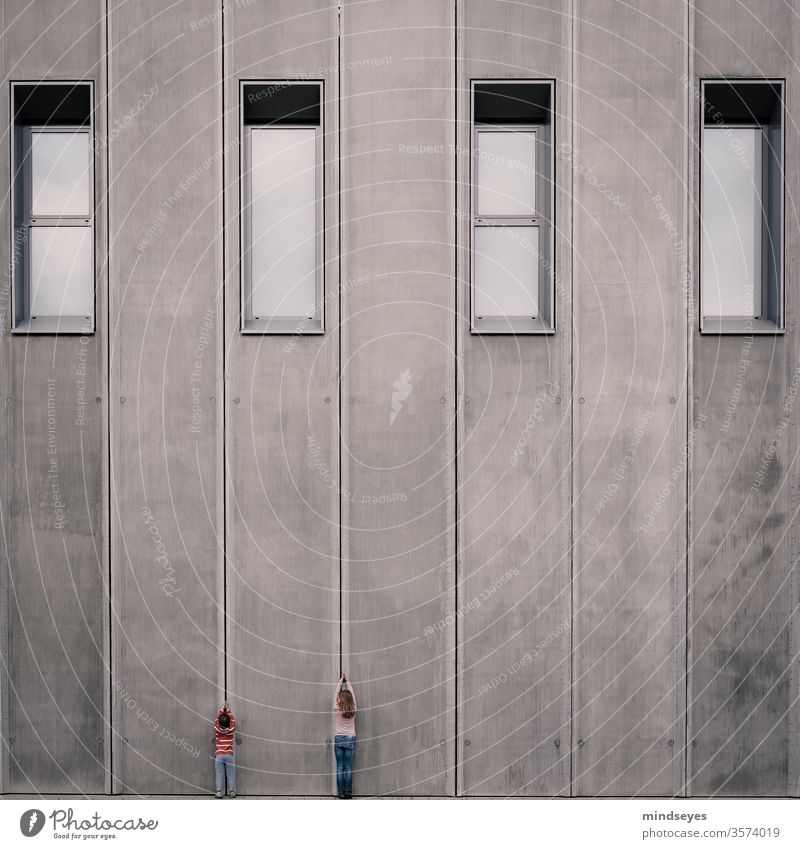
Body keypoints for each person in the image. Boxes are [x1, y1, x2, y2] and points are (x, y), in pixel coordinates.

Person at [333, 673, 357, 799]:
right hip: (350, 739)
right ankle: (348, 793)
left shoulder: (337, 709)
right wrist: (347, 682)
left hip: (338, 739)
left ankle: (340, 793)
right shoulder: (353, 709)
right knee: (348, 767)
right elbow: (352, 695)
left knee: (340, 767)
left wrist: (340, 681)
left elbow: (336, 694)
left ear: (339, 700)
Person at [213, 701, 236, 798]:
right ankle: (232, 792)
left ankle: (219, 792)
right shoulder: (231, 730)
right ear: (229, 724)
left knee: (219, 774)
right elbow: (233, 721)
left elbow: (216, 720)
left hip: (219, 756)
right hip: (229, 755)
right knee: (231, 773)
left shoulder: (217, 730)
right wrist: (228, 710)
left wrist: (222, 710)